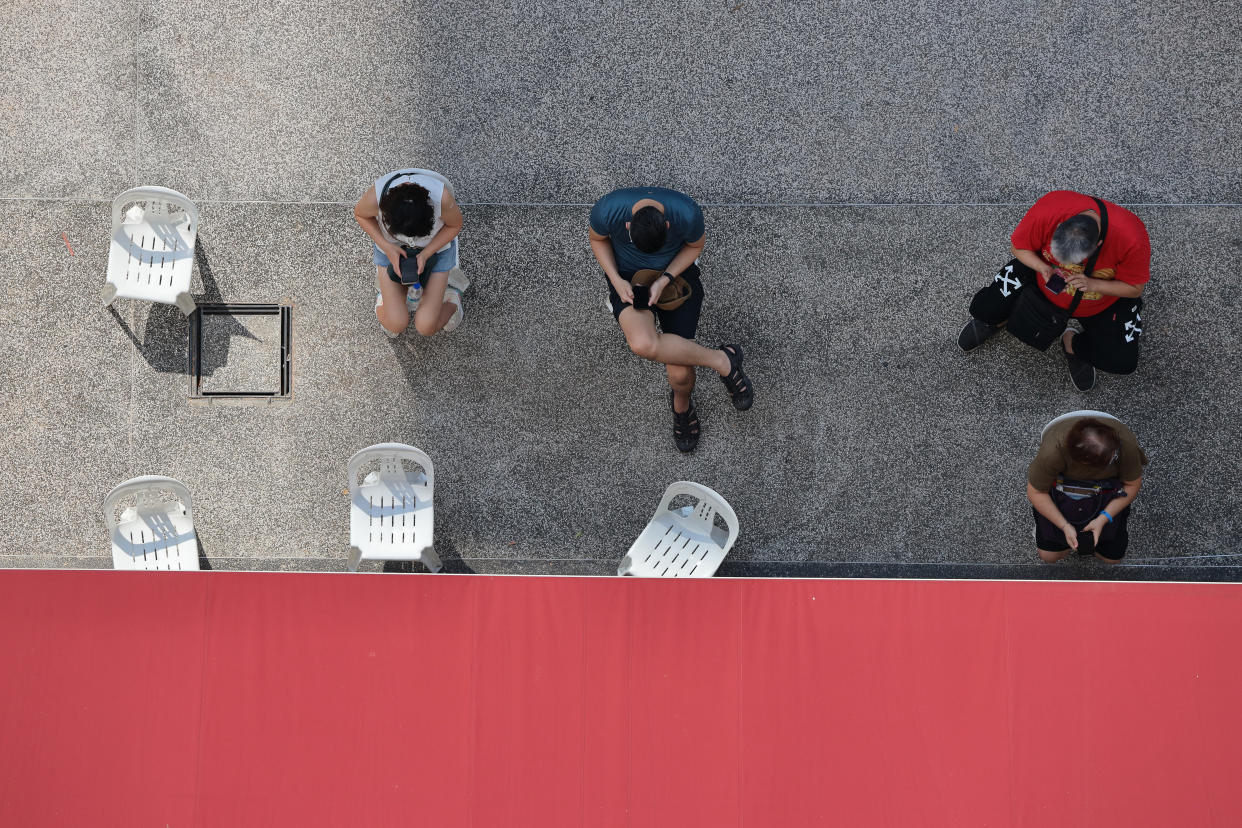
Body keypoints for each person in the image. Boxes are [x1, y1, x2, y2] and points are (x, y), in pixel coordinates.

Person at [588, 186, 753, 452]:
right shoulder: (608, 210)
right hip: (628, 279)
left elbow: (695, 245)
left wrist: (665, 278)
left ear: (667, 225)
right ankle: (724, 360)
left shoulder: (686, 213)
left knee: (679, 374)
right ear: (627, 226)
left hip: (676, 275)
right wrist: (617, 281)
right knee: (642, 343)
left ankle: (682, 405)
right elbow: (597, 239)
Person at [958, 190, 1150, 391]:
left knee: (1123, 362)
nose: (1065, 267)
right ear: (1059, 226)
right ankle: (999, 319)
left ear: (1098, 245)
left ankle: (1072, 344)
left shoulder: (1132, 239)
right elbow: (1018, 247)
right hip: (1041, 279)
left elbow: (1135, 289)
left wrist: (1094, 285)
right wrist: (1043, 267)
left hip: (1101, 301)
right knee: (984, 309)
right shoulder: (1050, 209)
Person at [353, 168, 469, 338]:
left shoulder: (441, 198)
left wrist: (426, 253)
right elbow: (361, 214)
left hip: (436, 249)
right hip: (391, 249)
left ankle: (452, 296)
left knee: (426, 326)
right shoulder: (376, 197)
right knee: (395, 323)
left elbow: (455, 224)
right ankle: (386, 297)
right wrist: (386, 246)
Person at [1026, 414, 1147, 564]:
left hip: (1107, 493)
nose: (1115, 458)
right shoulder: (1052, 452)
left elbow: (1132, 484)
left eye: (1114, 456)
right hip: (1062, 492)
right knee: (1049, 557)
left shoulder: (1125, 445)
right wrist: (1064, 525)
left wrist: (1102, 519)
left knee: (1113, 559)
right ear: (1080, 460)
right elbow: (1036, 492)